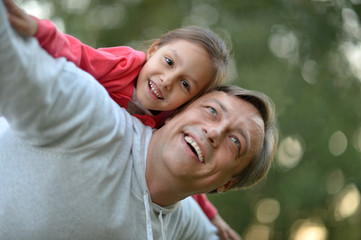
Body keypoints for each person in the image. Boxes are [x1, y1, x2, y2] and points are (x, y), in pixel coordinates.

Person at [0, 0, 278, 239]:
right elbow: (27, 54)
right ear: (182, 114)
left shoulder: (182, 219)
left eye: (235, 141)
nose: (214, 132)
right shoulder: (91, 110)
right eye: (212, 111)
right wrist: (38, 30)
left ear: (226, 184)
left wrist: (214, 221)